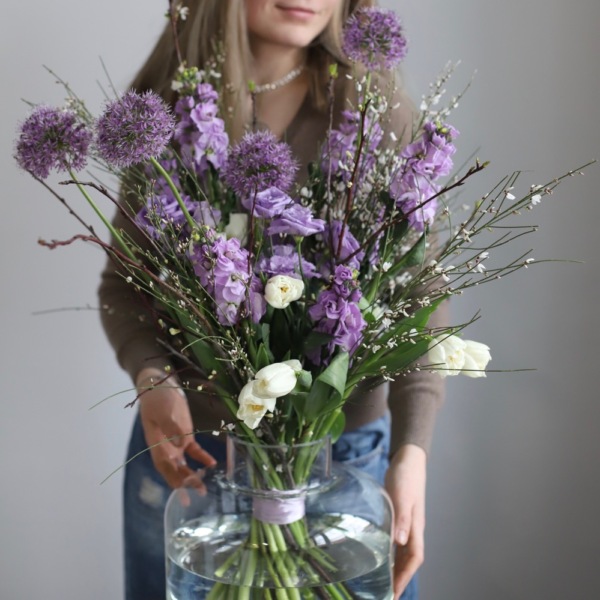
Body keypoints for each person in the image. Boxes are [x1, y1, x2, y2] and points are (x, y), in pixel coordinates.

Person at [98, 1, 447, 599]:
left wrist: (411, 453)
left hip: (343, 461)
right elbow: (124, 287)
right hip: (196, 461)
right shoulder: (167, 115)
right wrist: (154, 378)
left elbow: (418, 294)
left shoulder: (375, 112)